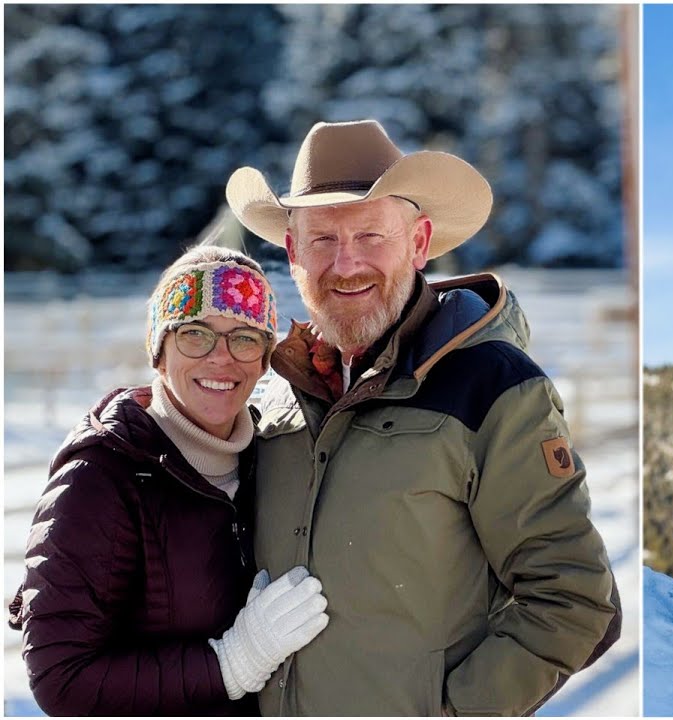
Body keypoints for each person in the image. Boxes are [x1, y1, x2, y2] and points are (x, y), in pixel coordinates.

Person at [224, 119, 621, 716]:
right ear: (292, 251)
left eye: (370, 235)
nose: (346, 263)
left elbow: (576, 601)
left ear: (418, 241)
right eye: (323, 239)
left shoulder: (491, 386)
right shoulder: (277, 395)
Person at [8, 246, 330, 715]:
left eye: (244, 337)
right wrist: (231, 665)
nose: (221, 358)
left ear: (264, 360)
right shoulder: (100, 477)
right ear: (158, 353)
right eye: (195, 334)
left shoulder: (272, 459)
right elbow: (60, 678)